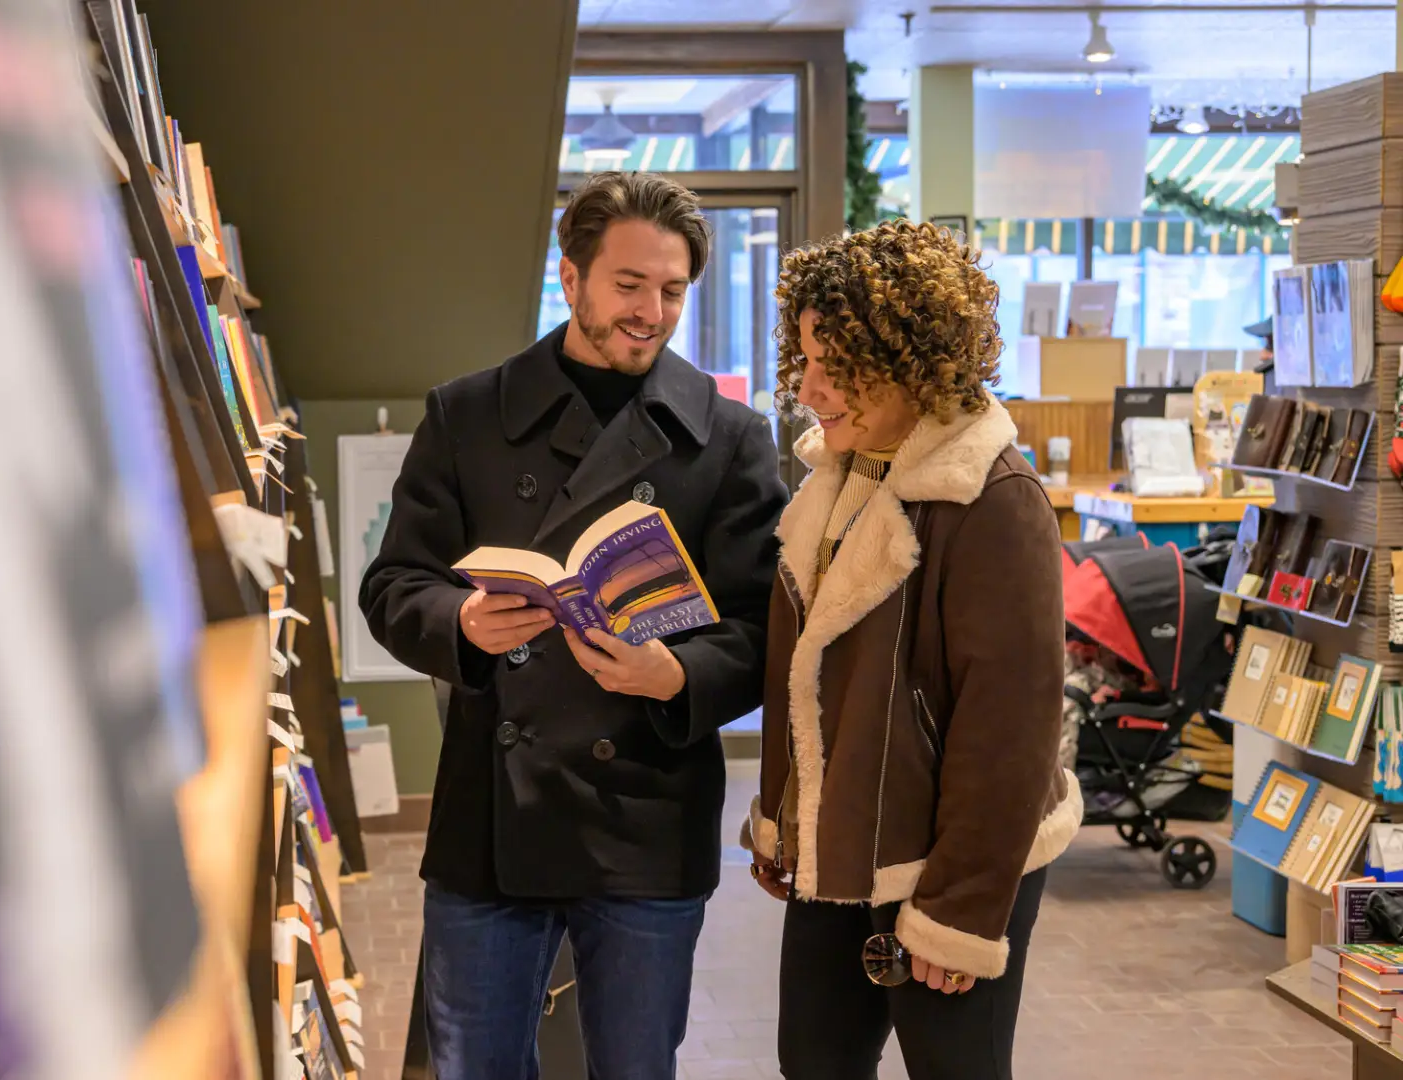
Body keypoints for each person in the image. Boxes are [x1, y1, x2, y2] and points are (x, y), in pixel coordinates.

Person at [359, 171, 788, 1080]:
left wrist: (677, 678)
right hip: (491, 824)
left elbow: (761, 628)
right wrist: (465, 624)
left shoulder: (731, 437)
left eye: (673, 290)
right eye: (630, 284)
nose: (652, 311)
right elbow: (393, 584)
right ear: (572, 277)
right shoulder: (467, 414)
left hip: (647, 817)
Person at [742, 220, 1082, 1080]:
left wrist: (959, 912)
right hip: (844, 844)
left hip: (948, 865)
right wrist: (779, 817)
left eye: (837, 365)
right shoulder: (846, 474)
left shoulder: (993, 498)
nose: (810, 387)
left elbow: (1011, 730)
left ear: (913, 358)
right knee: (814, 1060)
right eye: (806, 359)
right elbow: (806, 683)